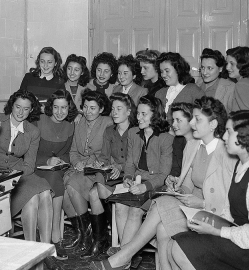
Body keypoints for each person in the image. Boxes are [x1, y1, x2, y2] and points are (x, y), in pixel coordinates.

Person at [91, 97, 236, 270]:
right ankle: (126, 257)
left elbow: (231, 200)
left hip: (213, 212)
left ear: (212, 125)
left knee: (159, 208)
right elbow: (188, 184)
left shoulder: (227, 153)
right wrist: (179, 188)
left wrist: (202, 203)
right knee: (161, 226)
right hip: (190, 204)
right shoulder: (193, 146)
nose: (192, 123)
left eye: (197, 119)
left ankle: (123, 256)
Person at [169, 110, 249, 270]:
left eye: (229, 132)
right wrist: (208, 223)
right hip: (243, 237)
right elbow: (229, 212)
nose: (224, 137)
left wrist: (217, 232)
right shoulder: (242, 165)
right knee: (175, 243)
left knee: (181, 248)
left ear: (245, 135)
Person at [0, 90, 61, 270]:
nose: (20, 112)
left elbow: (29, 165)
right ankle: (34, 254)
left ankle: (43, 250)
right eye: (18, 107)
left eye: (26, 109)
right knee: (34, 197)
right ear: (11, 105)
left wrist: (13, 172)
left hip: (21, 175)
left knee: (44, 193)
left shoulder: (32, 131)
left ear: (31, 110)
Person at [114, 95, 173, 256]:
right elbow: (130, 163)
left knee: (135, 211)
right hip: (136, 182)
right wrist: (127, 178)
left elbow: (163, 174)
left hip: (156, 186)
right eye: (138, 113)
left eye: (143, 114)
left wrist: (144, 186)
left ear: (155, 115)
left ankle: (123, 256)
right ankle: (126, 254)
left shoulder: (166, 139)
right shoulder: (133, 133)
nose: (138, 117)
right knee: (119, 206)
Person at [83, 93, 137, 258]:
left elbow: (134, 160)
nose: (114, 112)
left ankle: (117, 241)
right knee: (95, 191)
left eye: (119, 109)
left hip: (129, 174)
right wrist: (101, 163)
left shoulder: (135, 132)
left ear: (128, 112)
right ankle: (101, 240)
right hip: (111, 174)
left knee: (96, 193)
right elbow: (105, 157)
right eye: (113, 109)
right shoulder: (109, 131)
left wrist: (118, 166)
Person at [62, 90, 113, 255]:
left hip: (99, 168)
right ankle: (84, 233)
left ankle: (91, 235)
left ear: (101, 108)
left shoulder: (108, 122)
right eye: (85, 107)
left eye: (93, 108)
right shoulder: (80, 122)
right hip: (80, 167)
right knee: (65, 186)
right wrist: (77, 163)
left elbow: (108, 151)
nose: (88, 111)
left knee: (71, 184)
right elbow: (73, 151)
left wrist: (88, 163)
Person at [35, 89, 77, 261]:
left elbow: (68, 153)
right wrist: (47, 160)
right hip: (37, 167)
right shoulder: (39, 121)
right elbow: (29, 152)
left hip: (58, 168)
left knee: (57, 177)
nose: (60, 112)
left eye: (64, 108)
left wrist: (59, 160)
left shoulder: (70, 124)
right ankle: (55, 236)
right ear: (50, 107)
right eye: (56, 107)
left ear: (69, 108)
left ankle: (53, 235)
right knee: (55, 179)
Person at [155, 52, 201, 124]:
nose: (163, 75)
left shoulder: (194, 91)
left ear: (178, 69)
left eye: (167, 71)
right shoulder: (159, 93)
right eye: (161, 71)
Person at [197, 48, 235, 113]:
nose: (204, 72)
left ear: (220, 69)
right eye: (203, 67)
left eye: (210, 68)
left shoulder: (230, 87)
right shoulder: (197, 84)